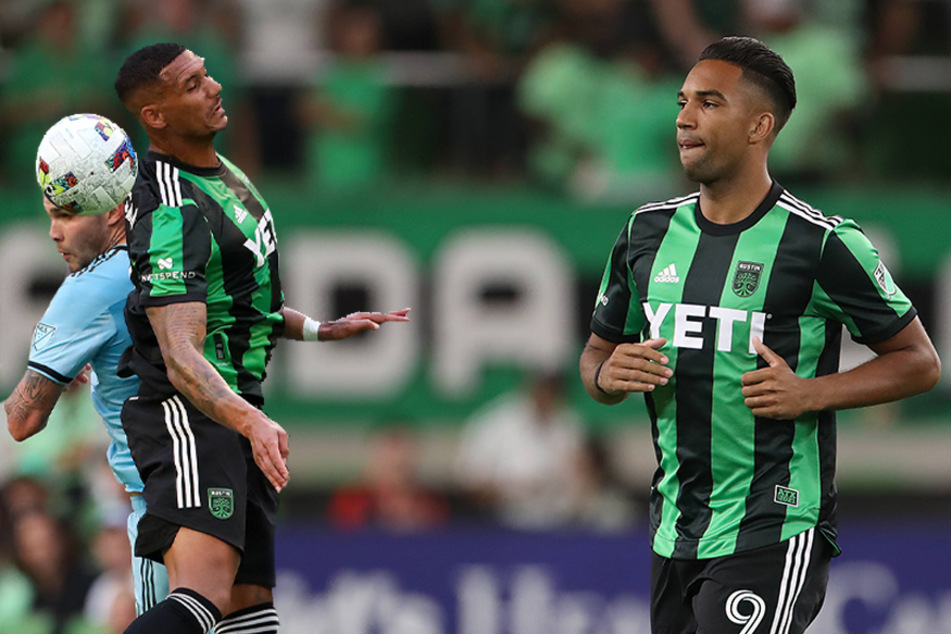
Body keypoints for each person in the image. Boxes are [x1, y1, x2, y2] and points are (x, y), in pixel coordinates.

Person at [579, 36, 940, 634]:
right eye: (682, 101)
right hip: (674, 527)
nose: (684, 118)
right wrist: (604, 375)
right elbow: (597, 354)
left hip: (773, 526)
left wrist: (813, 393)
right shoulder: (646, 232)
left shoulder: (821, 243)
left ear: (759, 126)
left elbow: (919, 361)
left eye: (710, 103)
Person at [112, 42, 410, 634]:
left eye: (207, 74)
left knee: (251, 612)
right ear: (156, 116)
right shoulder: (171, 206)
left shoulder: (225, 174)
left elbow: (243, 304)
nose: (215, 86)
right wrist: (248, 422)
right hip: (192, 418)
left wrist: (321, 329)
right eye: (194, 83)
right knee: (203, 597)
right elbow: (179, 353)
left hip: (237, 412)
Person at [4, 176, 169, 615]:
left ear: (113, 211)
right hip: (217, 481)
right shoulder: (169, 251)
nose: (55, 231)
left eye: (67, 215)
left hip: (160, 505)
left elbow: (21, 422)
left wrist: (51, 357)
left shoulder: (89, 289)